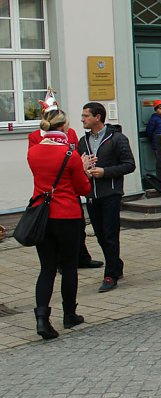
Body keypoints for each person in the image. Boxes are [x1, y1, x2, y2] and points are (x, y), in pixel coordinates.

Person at [26, 108, 94, 339]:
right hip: (67, 215)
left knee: (46, 268)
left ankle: (42, 319)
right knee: (69, 267)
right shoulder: (69, 154)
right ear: (64, 126)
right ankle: (69, 315)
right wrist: (84, 170)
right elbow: (83, 188)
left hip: (41, 216)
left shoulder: (33, 152)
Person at [29, 89, 102, 270]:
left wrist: (81, 166)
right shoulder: (35, 137)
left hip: (70, 183)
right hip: (52, 189)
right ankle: (63, 262)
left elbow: (76, 153)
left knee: (79, 227)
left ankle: (82, 257)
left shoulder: (70, 134)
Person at [78, 102, 136, 293]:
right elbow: (78, 167)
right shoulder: (83, 141)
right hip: (92, 195)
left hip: (110, 193)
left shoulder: (117, 138)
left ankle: (110, 275)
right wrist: (84, 170)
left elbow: (129, 165)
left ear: (98, 117)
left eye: (86, 116)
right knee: (101, 236)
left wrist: (105, 172)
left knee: (110, 236)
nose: (82, 119)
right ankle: (116, 265)